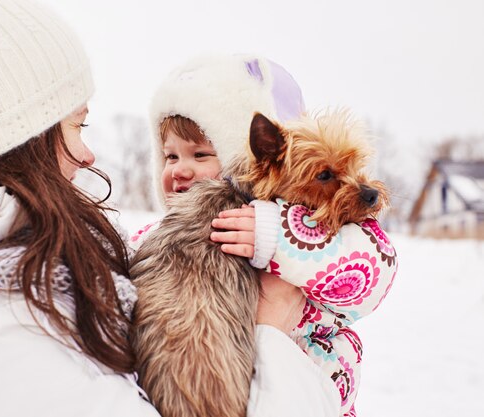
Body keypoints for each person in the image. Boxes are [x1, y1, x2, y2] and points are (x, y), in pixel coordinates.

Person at [0, 0, 340, 416]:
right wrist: (271, 335)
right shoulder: (6, 328)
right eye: (76, 127)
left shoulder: (0, 280)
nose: (88, 155)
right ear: (16, 140)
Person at [131, 54, 398, 417]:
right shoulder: (155, 237)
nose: (180, 169)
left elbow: (371, 268)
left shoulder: (327, 233)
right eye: (170, 157)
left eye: (200, 154)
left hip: (311, 391)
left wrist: (276, 233)